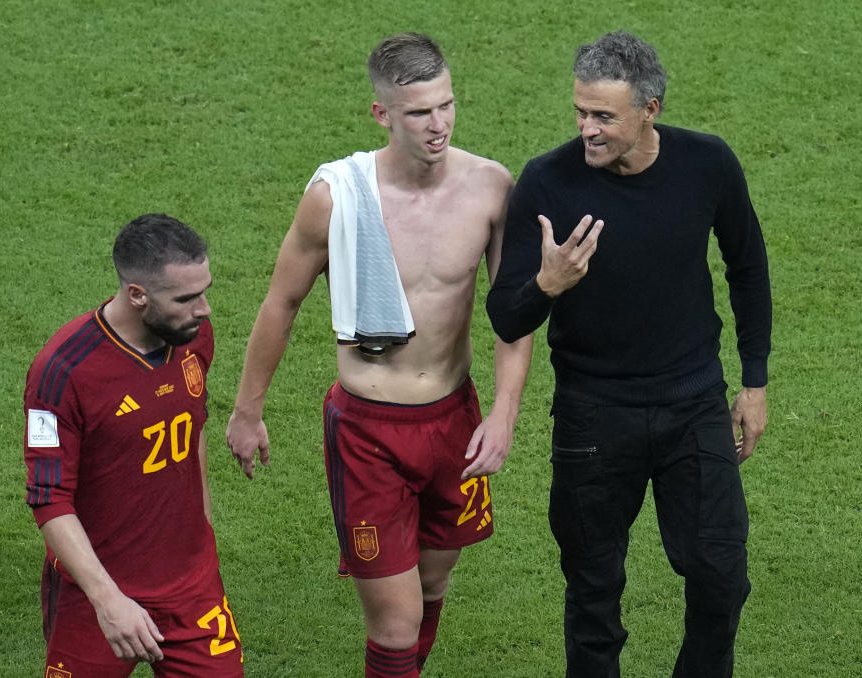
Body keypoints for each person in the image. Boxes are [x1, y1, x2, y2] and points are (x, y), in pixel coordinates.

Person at [226, 33, 532, 677]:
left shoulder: (491, 188)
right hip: (370, 430)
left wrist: (504, 412)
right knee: (394, 630)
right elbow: (281, 303)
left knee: (430, 590)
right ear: (381, 114)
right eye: (419, 111)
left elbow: (513, 318)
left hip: (454, 419)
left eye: (446, 105)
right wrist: (247, 411)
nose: (438, 124)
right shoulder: (336, 198)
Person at [486, 31, 771, 678]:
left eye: (603, 117)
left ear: (651, 109)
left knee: (722, 576)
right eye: (581, 113)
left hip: (693, 407)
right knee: (593, 598)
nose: (587, 129)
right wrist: (546, 285)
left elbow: (747, 268)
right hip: (593, 418)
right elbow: (506, 314)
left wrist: (753, 382)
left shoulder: (707, 164)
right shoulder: (546, 183)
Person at [23, 214, 243, 677]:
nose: (204, 309)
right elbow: (49, 499)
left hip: (191, 586)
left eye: (205, 290)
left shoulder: (192, 336)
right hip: (96, 593)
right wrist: (109, 601)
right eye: (186, 298)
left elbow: (193, 426)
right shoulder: (63, 372)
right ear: (137, 295)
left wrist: (202, 527)